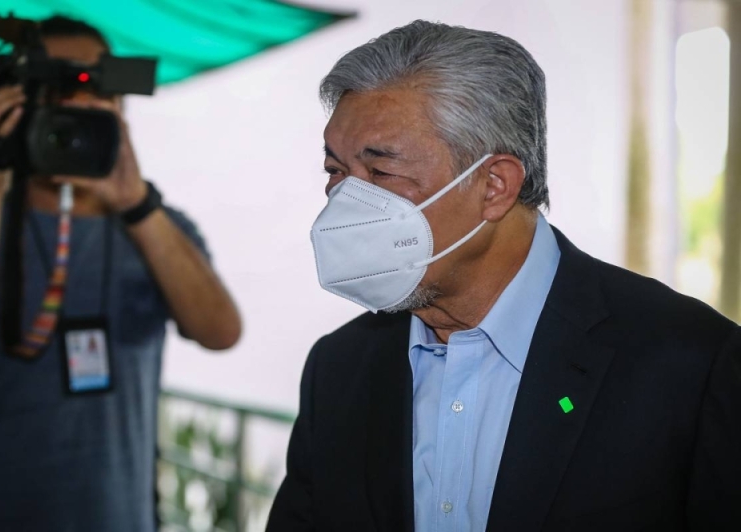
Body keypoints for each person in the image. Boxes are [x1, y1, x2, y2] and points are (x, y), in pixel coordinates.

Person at [267, 20, 741, 532]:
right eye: (336, 172)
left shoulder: (692, 365)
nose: (346, 202)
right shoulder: (337, 370)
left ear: (494, 186)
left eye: (381, 173)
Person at [0, 15, 241, 532]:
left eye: (95, 83)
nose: (77, 103)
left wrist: (135, 203)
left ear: (121, 104)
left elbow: (220, 332)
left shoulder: (159, 226)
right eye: (55, 85)